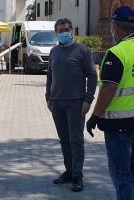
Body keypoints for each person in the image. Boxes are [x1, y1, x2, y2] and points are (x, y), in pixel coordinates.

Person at [86, 6, 134, 200]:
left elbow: (108, 88)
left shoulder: (116, 53)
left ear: (115, 26)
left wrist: (94, 117)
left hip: (119, 125)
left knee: (121, 173)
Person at [46, 18, 98, 192]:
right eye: (60, 31)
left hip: (76, 104)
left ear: (72, 30)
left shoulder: (83, 51)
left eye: (66, 30)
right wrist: (48, 97)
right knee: (64, 140)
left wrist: (88, 100)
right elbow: (49, 76)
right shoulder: (53, 51)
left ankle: (77, 176)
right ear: (56, 33)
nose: (63, 33)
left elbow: (92, 76)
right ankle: (69, 171)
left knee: (76, 141)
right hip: (57, 104)